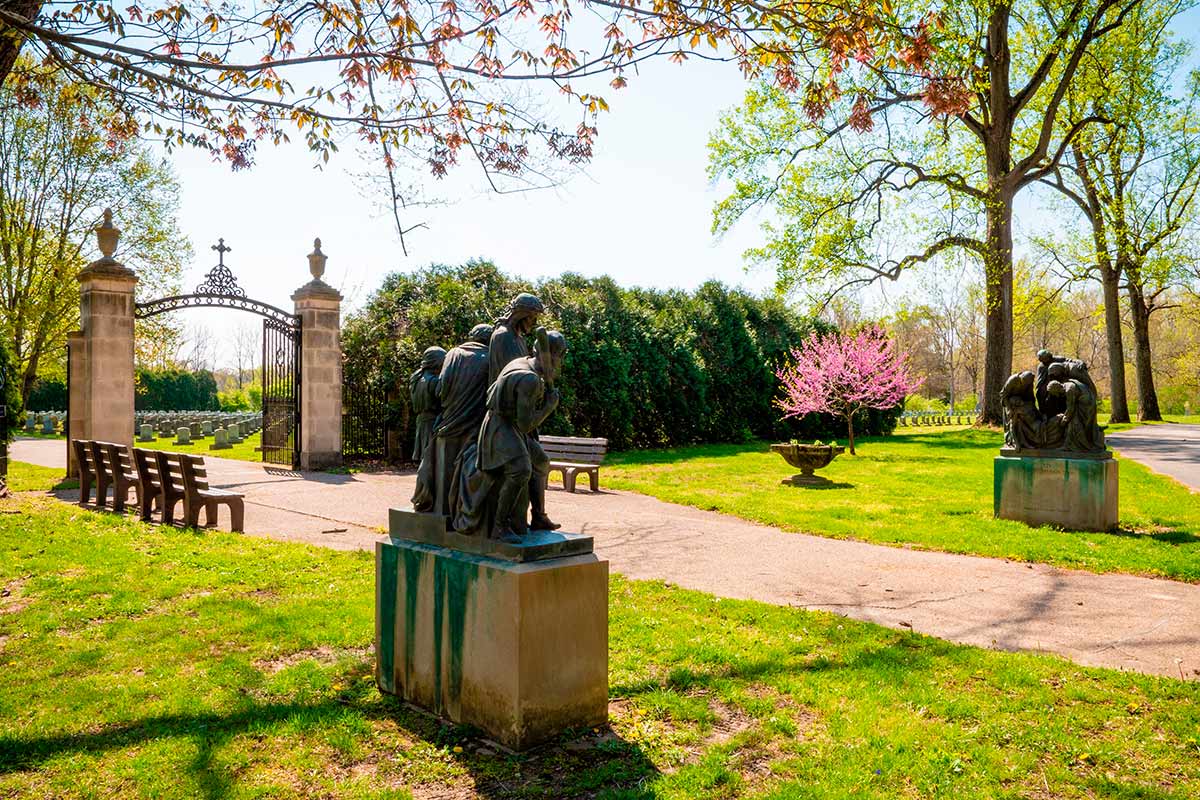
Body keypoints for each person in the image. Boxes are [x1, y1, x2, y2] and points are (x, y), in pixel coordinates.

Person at [452, 330, 566, 541]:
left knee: (540, 461)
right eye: (560, 355)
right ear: (552, 355)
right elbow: (525, 425)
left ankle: (539, 516)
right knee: (521, 470)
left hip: (509, 424)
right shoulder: (529, 378)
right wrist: (549, 407)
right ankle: (500, 527)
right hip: (500, 427)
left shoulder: (526, 363)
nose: (561, 361)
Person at [424, 324, 493, 514]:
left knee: (444, 473)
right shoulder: (491, 359)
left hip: (449, 423)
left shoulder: (453, 354)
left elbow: (441, 389)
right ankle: (465, 512)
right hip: (476, 426)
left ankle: (443, 512)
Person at [489, 293, 544, 384]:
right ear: (520, 315)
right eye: (531, 317)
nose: (535, 323)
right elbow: (516, 374)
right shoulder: (503, 335)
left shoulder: (520, 339)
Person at [1046, 377, 1106, 453]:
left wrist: (1064, 420)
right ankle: (1071, 445)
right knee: (1075, 424)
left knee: (1074, 424)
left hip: (1085, 406)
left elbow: (1070, 408)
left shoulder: (1069, 390)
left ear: (1056, 389)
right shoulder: (1067, 385)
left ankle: (1075, 446)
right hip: (1085, 404)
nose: (1055, 395)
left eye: (1053, 393)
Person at [409, 346, 445, 463]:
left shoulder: (416, 378)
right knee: (431, 459)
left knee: (425, 458)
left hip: (421, 421)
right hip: (433, 421)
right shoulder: (434, 381)